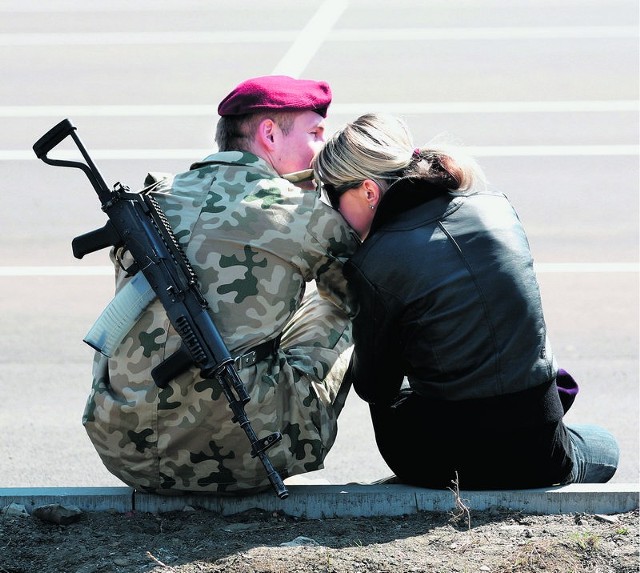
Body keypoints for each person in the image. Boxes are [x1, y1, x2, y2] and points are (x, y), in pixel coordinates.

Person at [82, 75, 360, 495]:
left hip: (124, 451)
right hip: (245, 456)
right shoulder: (306, 215)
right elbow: (358, 296)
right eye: (315, 133)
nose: (322, 150)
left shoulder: (152, 198)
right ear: (269, 133)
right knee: (339, 307)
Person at [311, 112, 619, 489]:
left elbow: (375, 388)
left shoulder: (373, 262)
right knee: (606, 444)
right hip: (542, 449)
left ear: (368, 191)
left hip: (447, 461)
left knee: (389, 384)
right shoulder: (497, 207)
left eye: (331, 196)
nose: (333, 213)